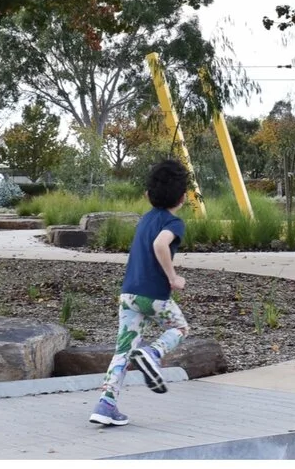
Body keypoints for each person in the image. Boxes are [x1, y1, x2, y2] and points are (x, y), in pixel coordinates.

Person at [90, 159, 195, 428]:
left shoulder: (145, 219)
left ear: (147, 195)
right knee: (180, 327)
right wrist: (173, 277)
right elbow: (161, 244)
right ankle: (153, 353)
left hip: (129, 294)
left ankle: (106, 404)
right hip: (153, 294)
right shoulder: (174, 222)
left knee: (123, 350)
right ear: (183, 197)